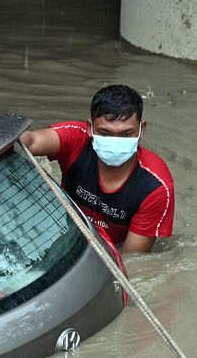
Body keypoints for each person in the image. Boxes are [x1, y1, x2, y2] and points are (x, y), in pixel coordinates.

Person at [19, 84, 175, 253]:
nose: (115, 141)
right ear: (89, 128)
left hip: (111, 249)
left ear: (141, 129)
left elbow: (130, 259)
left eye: (126, 134)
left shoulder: (155, 187)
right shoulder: (76, 140)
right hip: (68, 231)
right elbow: (30, 141)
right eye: (105, 133)